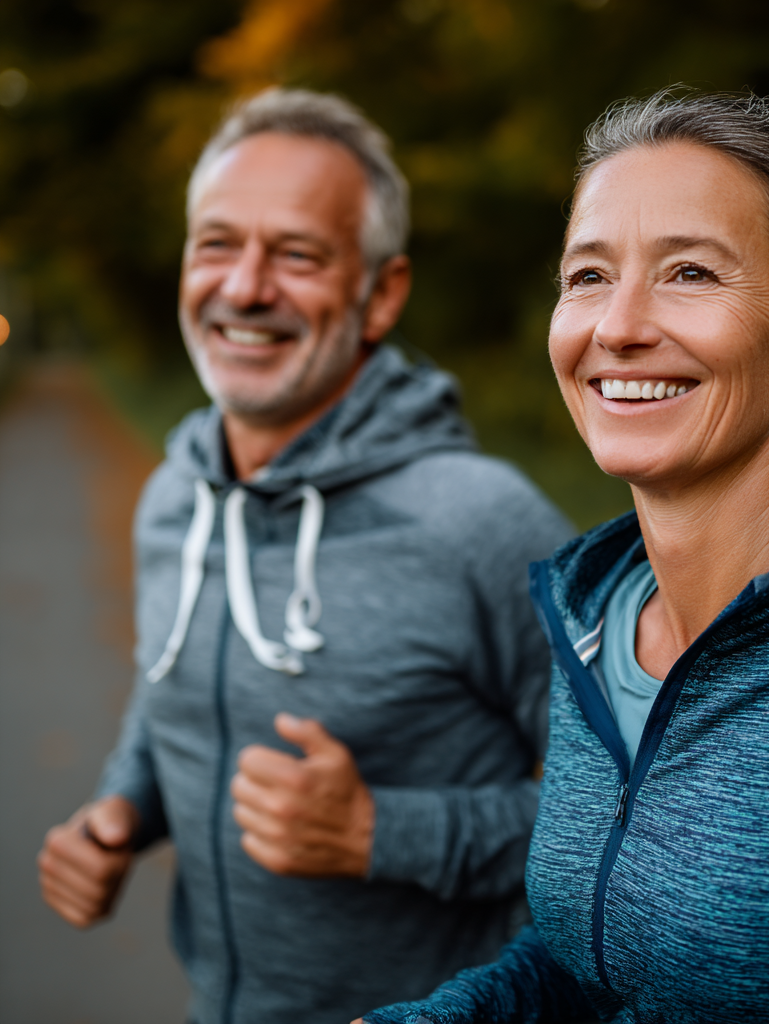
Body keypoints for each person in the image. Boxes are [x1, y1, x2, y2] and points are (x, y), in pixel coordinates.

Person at [360, 90, 769, 1024]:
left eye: (691, 274)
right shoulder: (595, 619)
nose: (619, 326)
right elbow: (591, 954)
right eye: (588, 276)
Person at [36, 87, 573, 1024]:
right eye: (217, 243)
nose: (244, 287)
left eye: (296, 254)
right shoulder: (175, 494)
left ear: (381, 294)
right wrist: (123, 810)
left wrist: (382, 834)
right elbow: (173, 680)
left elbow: (631, 816)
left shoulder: (483, 525)